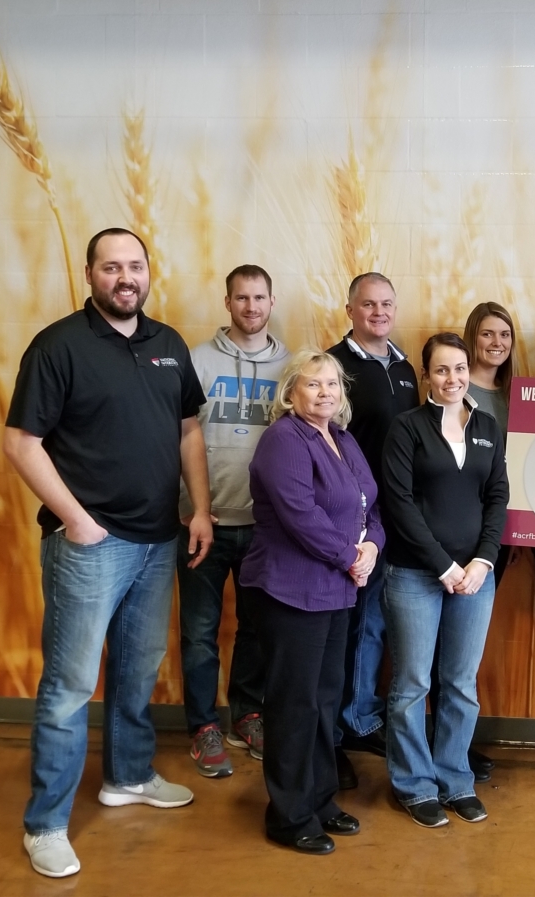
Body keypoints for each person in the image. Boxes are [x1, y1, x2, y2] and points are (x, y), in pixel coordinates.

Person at [4, 228, 211, 879]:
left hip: (157, 541)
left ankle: (126, 775)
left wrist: (199, 508)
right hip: (89, 549)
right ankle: (45, 823)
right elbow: (20, 442)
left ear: (148, 272)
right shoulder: (58, 345)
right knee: (68, 686)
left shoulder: (168, 344)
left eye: (135, 265)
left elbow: (187, 431)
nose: (125, 276)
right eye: (111, 266)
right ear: (90, 273)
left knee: (136, 667)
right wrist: (76, 519)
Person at [240, 350, 382, 855]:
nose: (324, 392)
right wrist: (350, 555)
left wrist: (371, 547)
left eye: (331, 384)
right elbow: (299, 514)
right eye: (312, 384)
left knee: (325, 701)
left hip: (338, 589)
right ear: (291, 392)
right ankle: (288, 814)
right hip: (290, 591)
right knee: (294, 705)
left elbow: (371, 505)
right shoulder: (284, 439)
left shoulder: (342, 440)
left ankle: (320, 800)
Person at [380, 333, 509, 828]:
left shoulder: (488, 426)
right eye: (441, 370)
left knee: (460, 683)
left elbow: (497, 495)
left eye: (459, 369)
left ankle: (455, 780)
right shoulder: (406, 428)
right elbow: (400, 505)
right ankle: (414, 786)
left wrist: (483, 561)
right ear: (427, 375)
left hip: (476, 578)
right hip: (416, 574)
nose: (453, 379)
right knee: (412, 684)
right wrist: (444, 565)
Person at [177, 265, 290, 777]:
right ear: (227, 303)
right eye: (241, 298)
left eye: (259, 297)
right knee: (200, 631)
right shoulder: (196, 361)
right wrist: (194, 509)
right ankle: (203, 726)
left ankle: (248, 713)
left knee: (256, 629)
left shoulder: (292, 366)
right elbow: (178, 436)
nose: (251, 307)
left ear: (271, 301)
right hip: (203, 522)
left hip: (265, 527)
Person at [326, 272, 420, 787]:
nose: (378, 312)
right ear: (350, 309)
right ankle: (336, 729)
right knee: (344, 625)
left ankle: (360, 716)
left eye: (386, 303)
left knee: (373, 623)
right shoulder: (334, 366)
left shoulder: (406, 368)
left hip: (394, 520)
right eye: (368, 304)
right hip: (350, 521)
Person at [464, 300, 518, 433]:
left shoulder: (516, 393)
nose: (497, 343)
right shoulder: (456, 388)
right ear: (472, 338)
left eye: (504, 335)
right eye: (487, 334)